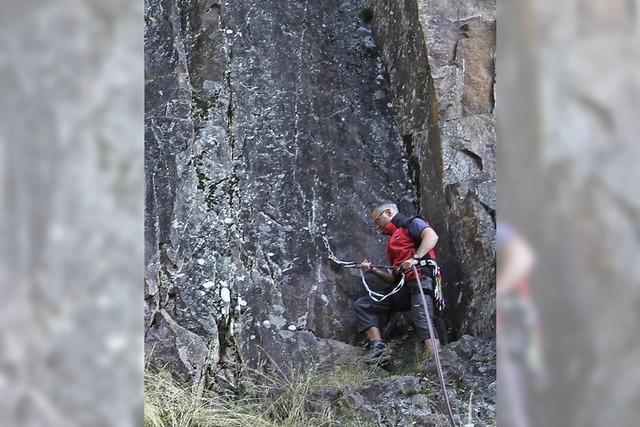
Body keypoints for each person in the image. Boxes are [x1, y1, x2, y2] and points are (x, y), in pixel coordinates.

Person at [353, 202, 441, 365]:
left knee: (423, 319)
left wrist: (415, 258)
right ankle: (378, 349)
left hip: (421, 280)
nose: (377, 228)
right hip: (404, 287)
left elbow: (431, 236)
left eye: (378, 221)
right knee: (363, 305)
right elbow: (394, 279)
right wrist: (373, 270)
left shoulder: (411, 223)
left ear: (388, 212)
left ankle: (437, 363)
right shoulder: (393, 243)